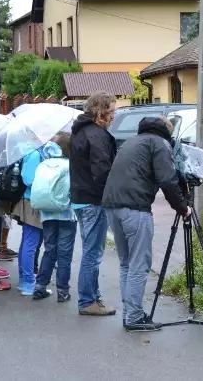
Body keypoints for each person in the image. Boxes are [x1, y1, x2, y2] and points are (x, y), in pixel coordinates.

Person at [103, 117, 190, 331]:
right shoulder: (159, 143)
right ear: (167, 132)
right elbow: (167, 180)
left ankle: (130, 312)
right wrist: (182, 207)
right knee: (139, 264)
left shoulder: (132, 141)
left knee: (126, 262)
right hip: (135, 208)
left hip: (112, 206)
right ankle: (133, 317)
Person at [69, 91, 117, 316]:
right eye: (111, 111)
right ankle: (88, 301)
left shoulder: (79, 131)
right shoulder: (96, 135)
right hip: (93, 200)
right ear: (101, 111)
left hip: (81, 198)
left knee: (91, 250)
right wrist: (112, 195)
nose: (113, 116)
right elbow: (102, 172)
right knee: (93, 252)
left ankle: (93, 298)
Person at [33, 133, 77, 302]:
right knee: (65, 252)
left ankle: (40, 286)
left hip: (47, 212)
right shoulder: (70, 165)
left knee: (49, 249)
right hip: (66, 213)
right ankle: (62, 290)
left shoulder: (45, 163)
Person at [11, 147, 45, 296]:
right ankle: (27, 282)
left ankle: (25, 280)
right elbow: (28, 179)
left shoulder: (32, 151)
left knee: (28, 242)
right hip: (32, 201)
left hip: (30, 200)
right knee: (30, 243)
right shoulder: (35, 153)